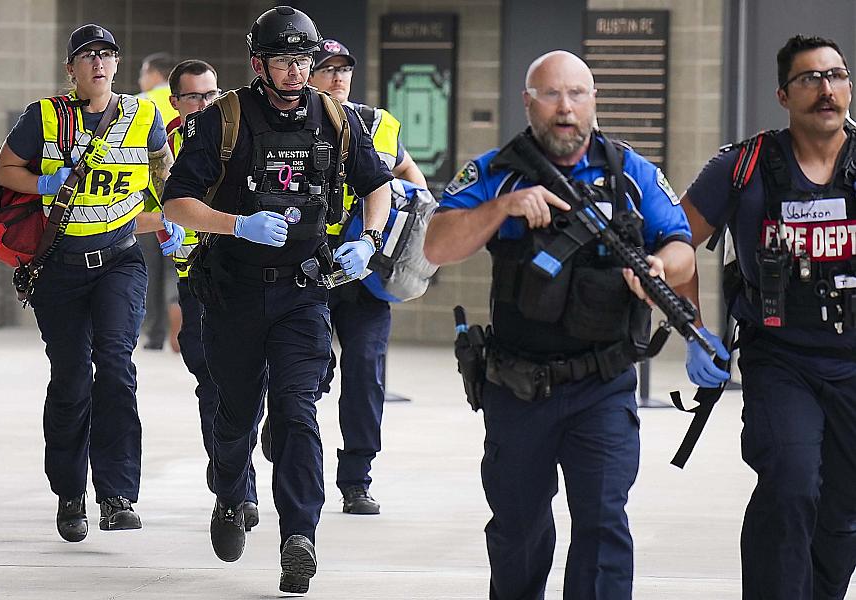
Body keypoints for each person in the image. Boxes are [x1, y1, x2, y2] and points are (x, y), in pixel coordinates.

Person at [424, 50, 695, 599]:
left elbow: (683, 244)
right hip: (517, 387)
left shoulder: (631, 173)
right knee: (518, 532)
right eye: (550, 94)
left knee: (602, 526)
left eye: (577, 94)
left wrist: (661, 264)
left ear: (594, 101)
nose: (564, 108)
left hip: (602, 384)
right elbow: (436, 244)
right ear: (528, 102)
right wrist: (503, 209)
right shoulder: (496, 171)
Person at [162, 7, 392, 594]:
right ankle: (231, 495)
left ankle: (299, 537)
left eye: (304, 61)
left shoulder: (338, 119)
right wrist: (236, 225)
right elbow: (177, 203)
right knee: (236, 417)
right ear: (258, 63)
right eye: (285, 61)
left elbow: (378, 186)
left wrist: (366, 239)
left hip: (303, 294)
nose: (297, 73)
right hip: (235, 292)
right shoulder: (223, 119)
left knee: (296, 412)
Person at [679, 34, 856, 600]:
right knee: (789, 485)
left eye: (836, 76)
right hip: (780, 359)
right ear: (783, 94)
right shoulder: (744, 166)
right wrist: (696, 330)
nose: (826, 90)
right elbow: (677, 240)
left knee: (843, 511)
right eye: (810, 79)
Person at [0, 23, 179, 542]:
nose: (98, 63)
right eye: (87, 56)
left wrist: (181, 217)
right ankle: (70, 490)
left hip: (120, 261)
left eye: (107, 55)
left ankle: (118, 494)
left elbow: (168, 175)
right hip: (60, 268)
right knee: (72, 379)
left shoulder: (144, 115)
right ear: (70, 68)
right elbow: (5, 170)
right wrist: (44, 182)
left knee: (116, 368)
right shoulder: (44, 116)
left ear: (117, 65)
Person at [277, 38, 426, 515]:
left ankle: (357, 477)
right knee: (309, 374)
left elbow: (412, 180)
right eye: (327, 69)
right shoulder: (289, 123)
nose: (338, 77)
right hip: (309, 271)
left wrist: (404, 216)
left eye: (345, 69)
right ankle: (282, 435)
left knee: (365, 369)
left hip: (363, 275)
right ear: (308, 75)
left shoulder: (379, 124)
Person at [164, 58, 260, 531]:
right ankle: (235, 480)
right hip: (194, 280)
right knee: (211, 380)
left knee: (250, 385)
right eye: (194, 97)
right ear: (175, 103)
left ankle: (235, 471)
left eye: (211, 94)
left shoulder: (234, 134)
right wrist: (160, 226)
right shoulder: (160, 145)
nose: (205, 104)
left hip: (239, 275)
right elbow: (141, 198)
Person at [137, 52, 180, 350]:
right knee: (177, 263)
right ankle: (180, 313)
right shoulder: (183, 100)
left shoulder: (139, 103)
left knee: (150, 266)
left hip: (146, 200)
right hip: (183, 197)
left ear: (154, 73)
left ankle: (153, 333)